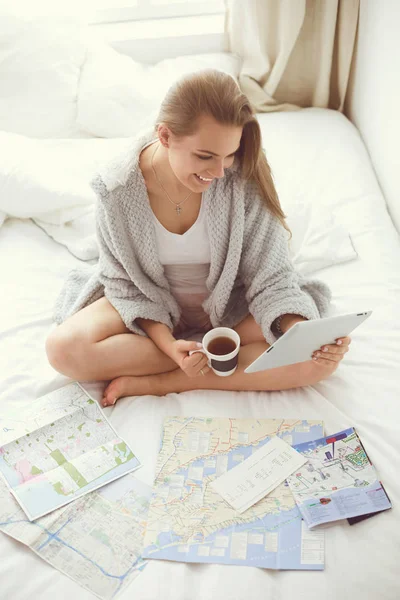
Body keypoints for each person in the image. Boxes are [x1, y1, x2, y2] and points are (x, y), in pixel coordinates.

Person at [46, 69, 351, 407]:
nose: (219, 172)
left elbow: (273, 277)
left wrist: (301, 334)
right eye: (205, 156)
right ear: (165, 136)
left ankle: (162, 382)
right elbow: (125, 285)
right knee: (63, 350)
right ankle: (219, 355)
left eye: (229, 154)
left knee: (312, 362)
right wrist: (169, 345)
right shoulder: (116, 190)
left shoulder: (242, 176)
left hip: (232, 306)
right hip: (151, 303)